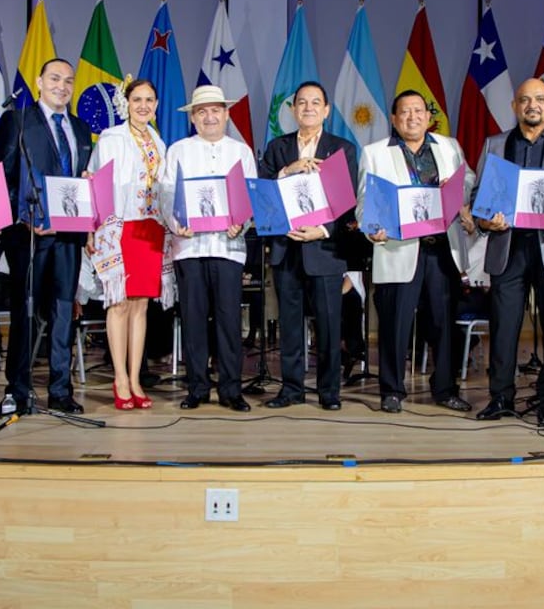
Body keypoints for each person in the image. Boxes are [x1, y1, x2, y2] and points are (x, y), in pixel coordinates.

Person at [355, 89, 475, 414]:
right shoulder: (375, 152)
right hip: (397, 248)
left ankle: (445, 388)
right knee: (395, 323)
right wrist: (371, 227)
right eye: (405, 112)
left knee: (443, 323)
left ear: (427, 116)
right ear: (394, 119)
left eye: (418, 111)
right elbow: (365, 199)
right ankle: (392, 390)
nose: (412, 117)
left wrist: (459, 191)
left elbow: (469, 179)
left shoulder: (448, 146)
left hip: (441, 250)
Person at [473, 78, 544, 425]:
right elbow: (479, 197)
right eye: (524, 100)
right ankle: (500, 397)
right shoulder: (495, 144)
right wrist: (487, 221)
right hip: (509, 246)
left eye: (539, 99)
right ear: (514, 106)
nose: (531, 105)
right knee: (504, 326)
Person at [0, 58, 92, 416]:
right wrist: (23, 219)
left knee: (64, 313)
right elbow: (3, 177)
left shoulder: (81, 130)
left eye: (68, 81)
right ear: (38, 81)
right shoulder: (17, 121)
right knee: (27, 313)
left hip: (69, 237)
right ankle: (17, 391)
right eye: (54, 78)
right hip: (29, 236)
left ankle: (60, 390)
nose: (62, 86)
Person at [258, 81, 358, 411]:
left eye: (316, 102)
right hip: (286, 249)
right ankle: (291, 389)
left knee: (329, 324)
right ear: (293, 110)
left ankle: (329, 392)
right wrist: (288, 170)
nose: (308, 108)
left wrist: (324, 231)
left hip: (324, 250)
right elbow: (263, 195)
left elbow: (347, 204)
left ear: (327, 110)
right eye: (302, 103)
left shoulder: (342, 148)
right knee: (289, 323)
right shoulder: (277, 149)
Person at [159, 85, 257, 411]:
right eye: (202, 112)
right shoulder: (178, 150)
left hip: (228, 246)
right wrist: (176, 224)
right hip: (189, 246)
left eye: (216, 110)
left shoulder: (241, 152)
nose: (210, 117)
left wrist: (240, 221)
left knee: (230, 320)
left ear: (226, 114)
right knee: (194, 318)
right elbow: (165, 195)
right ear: (194, 117)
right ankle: (197, 387)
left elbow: (250, 196)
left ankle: (231, 389)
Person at [84, 77, 173, 410]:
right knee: (119, 303)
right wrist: (93, 229)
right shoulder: (112, 138)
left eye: (150, 100)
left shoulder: (158, 141)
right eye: (138, 100)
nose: (144, 106)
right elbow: (98, 185)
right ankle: (119, 378)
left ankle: (136, 377)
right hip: (119, 226)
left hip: (151, 228)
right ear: (126, 103)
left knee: (141, 306)